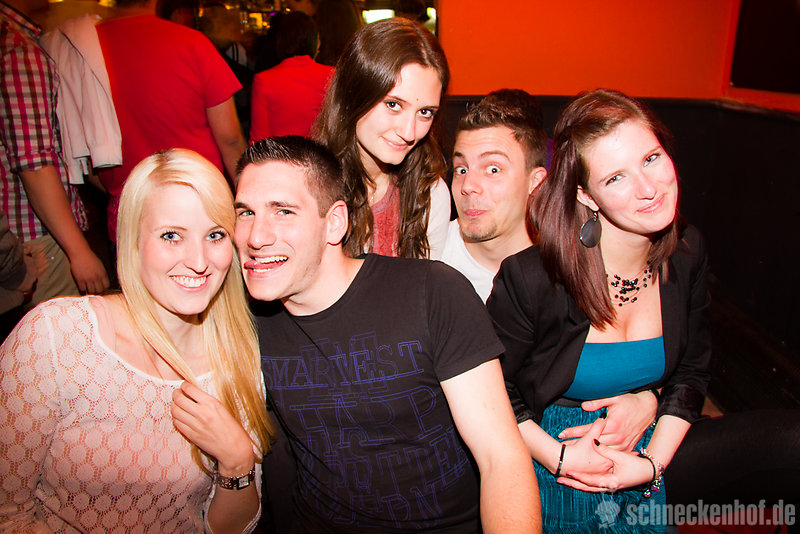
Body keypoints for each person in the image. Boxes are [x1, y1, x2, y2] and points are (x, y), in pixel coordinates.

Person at [234, 136, 540, 533]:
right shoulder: (245, 323)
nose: (256, 237)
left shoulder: (431, 293)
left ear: (335, 222)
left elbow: (501, 459)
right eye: (245, 213)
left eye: (283, 211)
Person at [0, 149, 273, 532]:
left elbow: (227, 529)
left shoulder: (237, 359)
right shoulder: (57, 337)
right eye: (171, 236)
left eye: (215, 235)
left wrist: (238, 461)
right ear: (133, 242)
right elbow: (8, 513)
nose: (198, 261)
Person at [488, 89, 711, 532]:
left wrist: (650, 463)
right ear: (586, 195)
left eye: (651, 159)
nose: (649, 189)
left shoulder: (687, 254)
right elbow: (490, 394)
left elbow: (691, 372)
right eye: (616, 178)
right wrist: (560, 458)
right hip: (546, 463)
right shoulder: (533, 279)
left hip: (645, 460)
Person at [95, 0, 247, 241]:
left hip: (131, 209)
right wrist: (246, 202)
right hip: (199, 202)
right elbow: (230, 139)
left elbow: (78, 154)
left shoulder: (86, 48)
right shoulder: (191, 43)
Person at [0, 0, 110, 307]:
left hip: (24, 233)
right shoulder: (18, 50)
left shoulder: (20, 40)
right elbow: (34, 163)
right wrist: (79, 252)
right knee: (58, 332)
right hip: (36, 236)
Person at [314, 17, 451, 260]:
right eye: (393, 105)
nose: (409, 133)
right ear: (353, 95)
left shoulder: (429, 194)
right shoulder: (308, 187)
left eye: (425, 112)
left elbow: (423, 282)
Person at [441, 89, 548, 302]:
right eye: (461, 169)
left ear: (535, 182)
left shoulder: (562, 268)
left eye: (493, 169)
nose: (468, 186)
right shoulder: (430, 252)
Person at [250, 11, 334, 141]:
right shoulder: (331, 75)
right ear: (314, 41)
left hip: (281, 153)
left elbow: (258, 139)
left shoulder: (264, 80)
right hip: (322, 152)